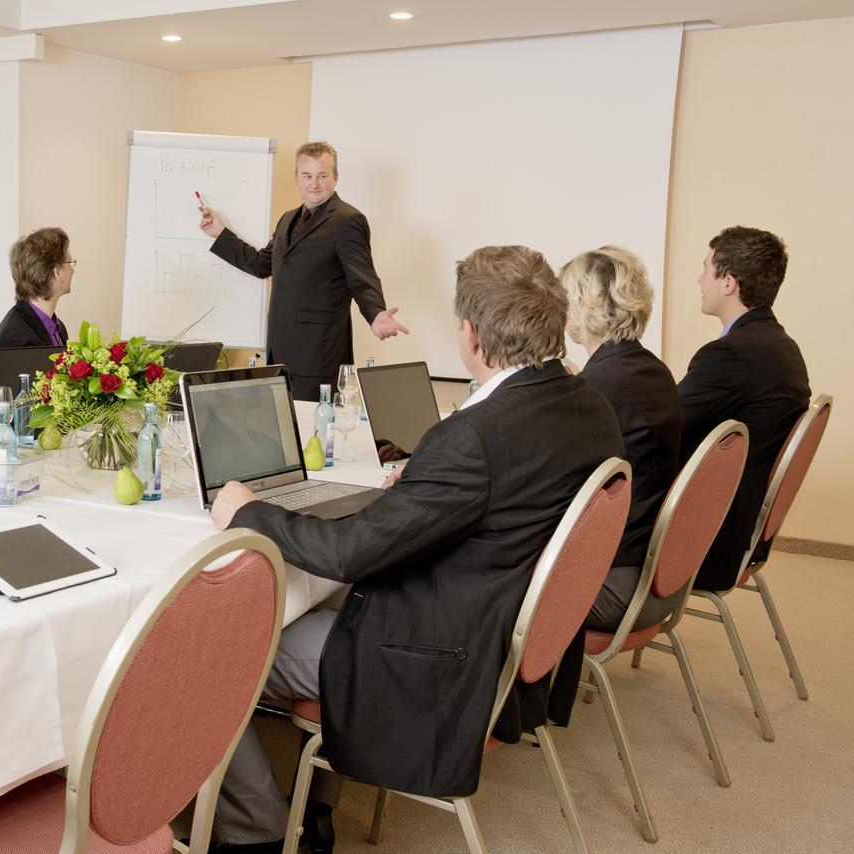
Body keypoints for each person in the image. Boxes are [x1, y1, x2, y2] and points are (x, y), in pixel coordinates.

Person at [205, 245, 624, 852]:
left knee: (219, 649)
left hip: (437, 660)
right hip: (501, 636)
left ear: (473, 339)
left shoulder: (474, 437)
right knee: (304, 607)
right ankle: (315, 809)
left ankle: (256, 834)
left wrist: (247, 510)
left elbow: (349, 552)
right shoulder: (588, 404)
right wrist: (426, 487)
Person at [198, 141, 409, 402]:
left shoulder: (348, 220)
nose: (314, 183)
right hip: (279, 354)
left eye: (322, 176)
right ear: (297, 179)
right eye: (307, 176)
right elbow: (261, 264)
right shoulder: (287, 219)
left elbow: (362, 277)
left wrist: (377, 313)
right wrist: (220, 233)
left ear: (335, 178)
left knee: (313, 437)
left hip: (318, 357)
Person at [679, 226, 809, 592]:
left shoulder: (731, 354)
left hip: (711, 540)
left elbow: (665, 423)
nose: (699, 279)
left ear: (728, 283)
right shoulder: (782, 346)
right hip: (744, 531)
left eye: (706, 268)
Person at [562, 246, 683, 630]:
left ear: (583, 305)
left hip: (615, 584)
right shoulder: (651, 370)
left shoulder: (598, 387)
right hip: (657, 570)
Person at [0, 227, 72, 349]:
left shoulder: (58, 328)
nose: (72, 270)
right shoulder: (16, 336)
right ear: (57, 272)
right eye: (70, 263)